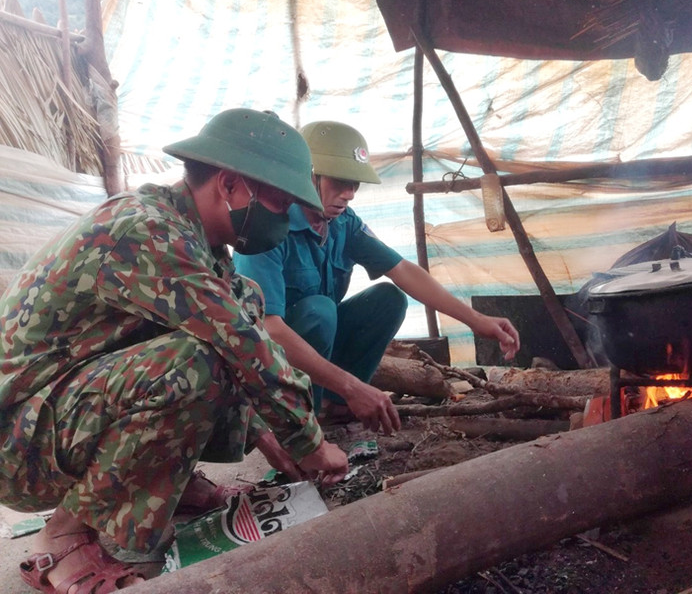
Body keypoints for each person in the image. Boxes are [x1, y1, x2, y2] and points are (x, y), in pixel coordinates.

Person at [0, 108, 348, 593]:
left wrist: (267, 436)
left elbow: (241, 323)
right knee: (197, 360)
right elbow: (243, 347)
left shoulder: (199, 245)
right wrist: (309, 443)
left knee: (243, 300)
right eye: (279, 199)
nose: (286, 216)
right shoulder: (143, 231)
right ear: (229, 186)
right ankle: (65, 534)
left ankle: (170, 486)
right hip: (18, 444)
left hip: (59, 419)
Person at [233, 121, 520, 435]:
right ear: (308, 174)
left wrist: (476, 320)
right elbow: (267, 329)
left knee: (388, 299)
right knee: (319, 311)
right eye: (340, 182)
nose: (350, 194)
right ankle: (300, 423)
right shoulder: (267, 226)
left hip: (318, 350)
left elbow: (403, 270)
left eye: (355, 184)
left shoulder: (344, 224)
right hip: (266, 362)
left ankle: (336, 405)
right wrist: (353, 386)